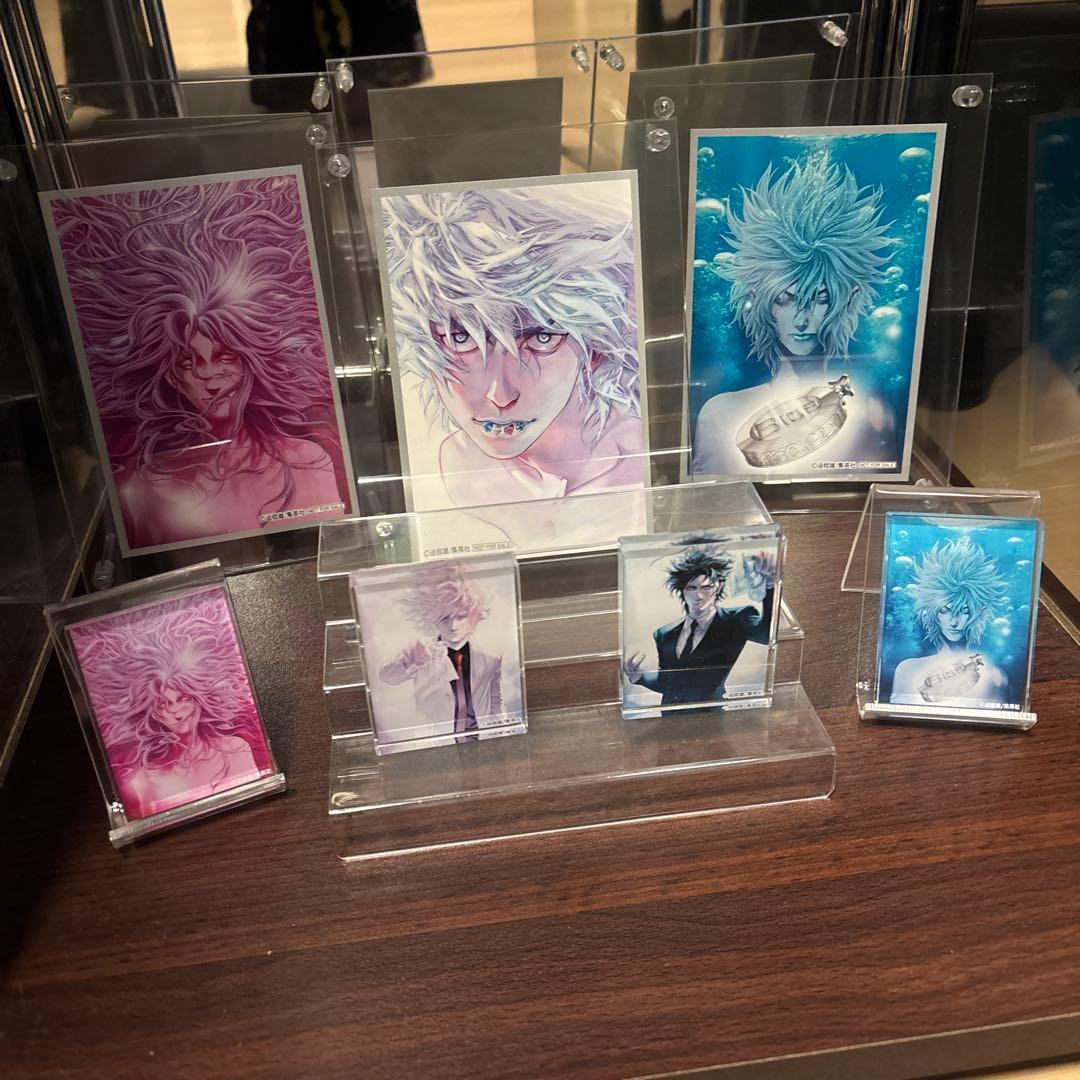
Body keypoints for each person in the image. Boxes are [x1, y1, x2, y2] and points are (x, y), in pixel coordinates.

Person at [51, 173, 349, 549]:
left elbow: (333, 552)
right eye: (189, 363)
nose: (209, 376)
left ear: (249, 362)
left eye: (225, 357)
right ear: (171, 377)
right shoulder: (147, 484)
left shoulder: (305, 460)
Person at [380, 180, 644, 537]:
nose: (500, 395)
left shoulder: (639, 462)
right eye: (461, 338)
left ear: (594, 349)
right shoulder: (456, 465)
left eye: (542, 338)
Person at [692, 156, 897, 475]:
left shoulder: (870, 412)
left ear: (848, 300)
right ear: (760, 301)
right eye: (785, 299)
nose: (801, 320)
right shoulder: (719, 413)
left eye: (821, 299)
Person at [71, 589, 269, 820]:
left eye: (183, 699)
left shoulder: (236, 749)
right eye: (163, 705)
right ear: (153, 714)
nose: (176, 712)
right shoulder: (144, 780)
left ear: (198, 700)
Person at [623, 544, 776, 707]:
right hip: (670, 715)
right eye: (692, 588)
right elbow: (667, 683)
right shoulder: (664, 634)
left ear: (719, 587)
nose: (699, 595)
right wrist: (639, 677)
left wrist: (770, 586)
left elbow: (766, 635)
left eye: (706, 587)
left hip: (711, 715)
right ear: (682, 590)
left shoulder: (737, 619)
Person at [378, 561, 504, 741]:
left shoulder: (491, 657)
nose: (453, 626)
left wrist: (501, 735)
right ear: (430, 617)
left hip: (481, 741)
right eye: (444, 618)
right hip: (437, 744)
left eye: (461, 616)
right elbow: (386, 677)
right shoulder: (422, 654)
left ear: (475, 614)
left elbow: (496, 701)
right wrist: (409, 660)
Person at [891, 536, 1009, 706]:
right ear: (932, 612)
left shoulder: (993, 675)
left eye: (964, 611)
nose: (954, 622)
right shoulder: (907, 669)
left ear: (979, 614)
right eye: (945, 610)